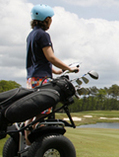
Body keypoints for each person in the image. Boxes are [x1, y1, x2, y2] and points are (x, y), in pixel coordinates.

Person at [25, 4, 78, 145]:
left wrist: (57, 71)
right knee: (42, 113)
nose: (51, 21)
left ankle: (28, 146)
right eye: (51, 19)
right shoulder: (43, 35)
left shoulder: (31, 35)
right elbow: (51, 57)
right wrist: (70, 68)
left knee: (34, 113)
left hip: (32, 77)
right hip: (41, 79)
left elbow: (38, 60)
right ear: (46, 19)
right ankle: (34, 147)